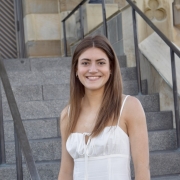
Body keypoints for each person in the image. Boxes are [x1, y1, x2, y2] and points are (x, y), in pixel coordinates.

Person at [58, 35, 150, 180]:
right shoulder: (67, 114)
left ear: (111, 67)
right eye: (85, 63)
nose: (93, 69)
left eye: (100, 63)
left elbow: (142, 170)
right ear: (76, 69)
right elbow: (66, 172)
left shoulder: (129, 107)